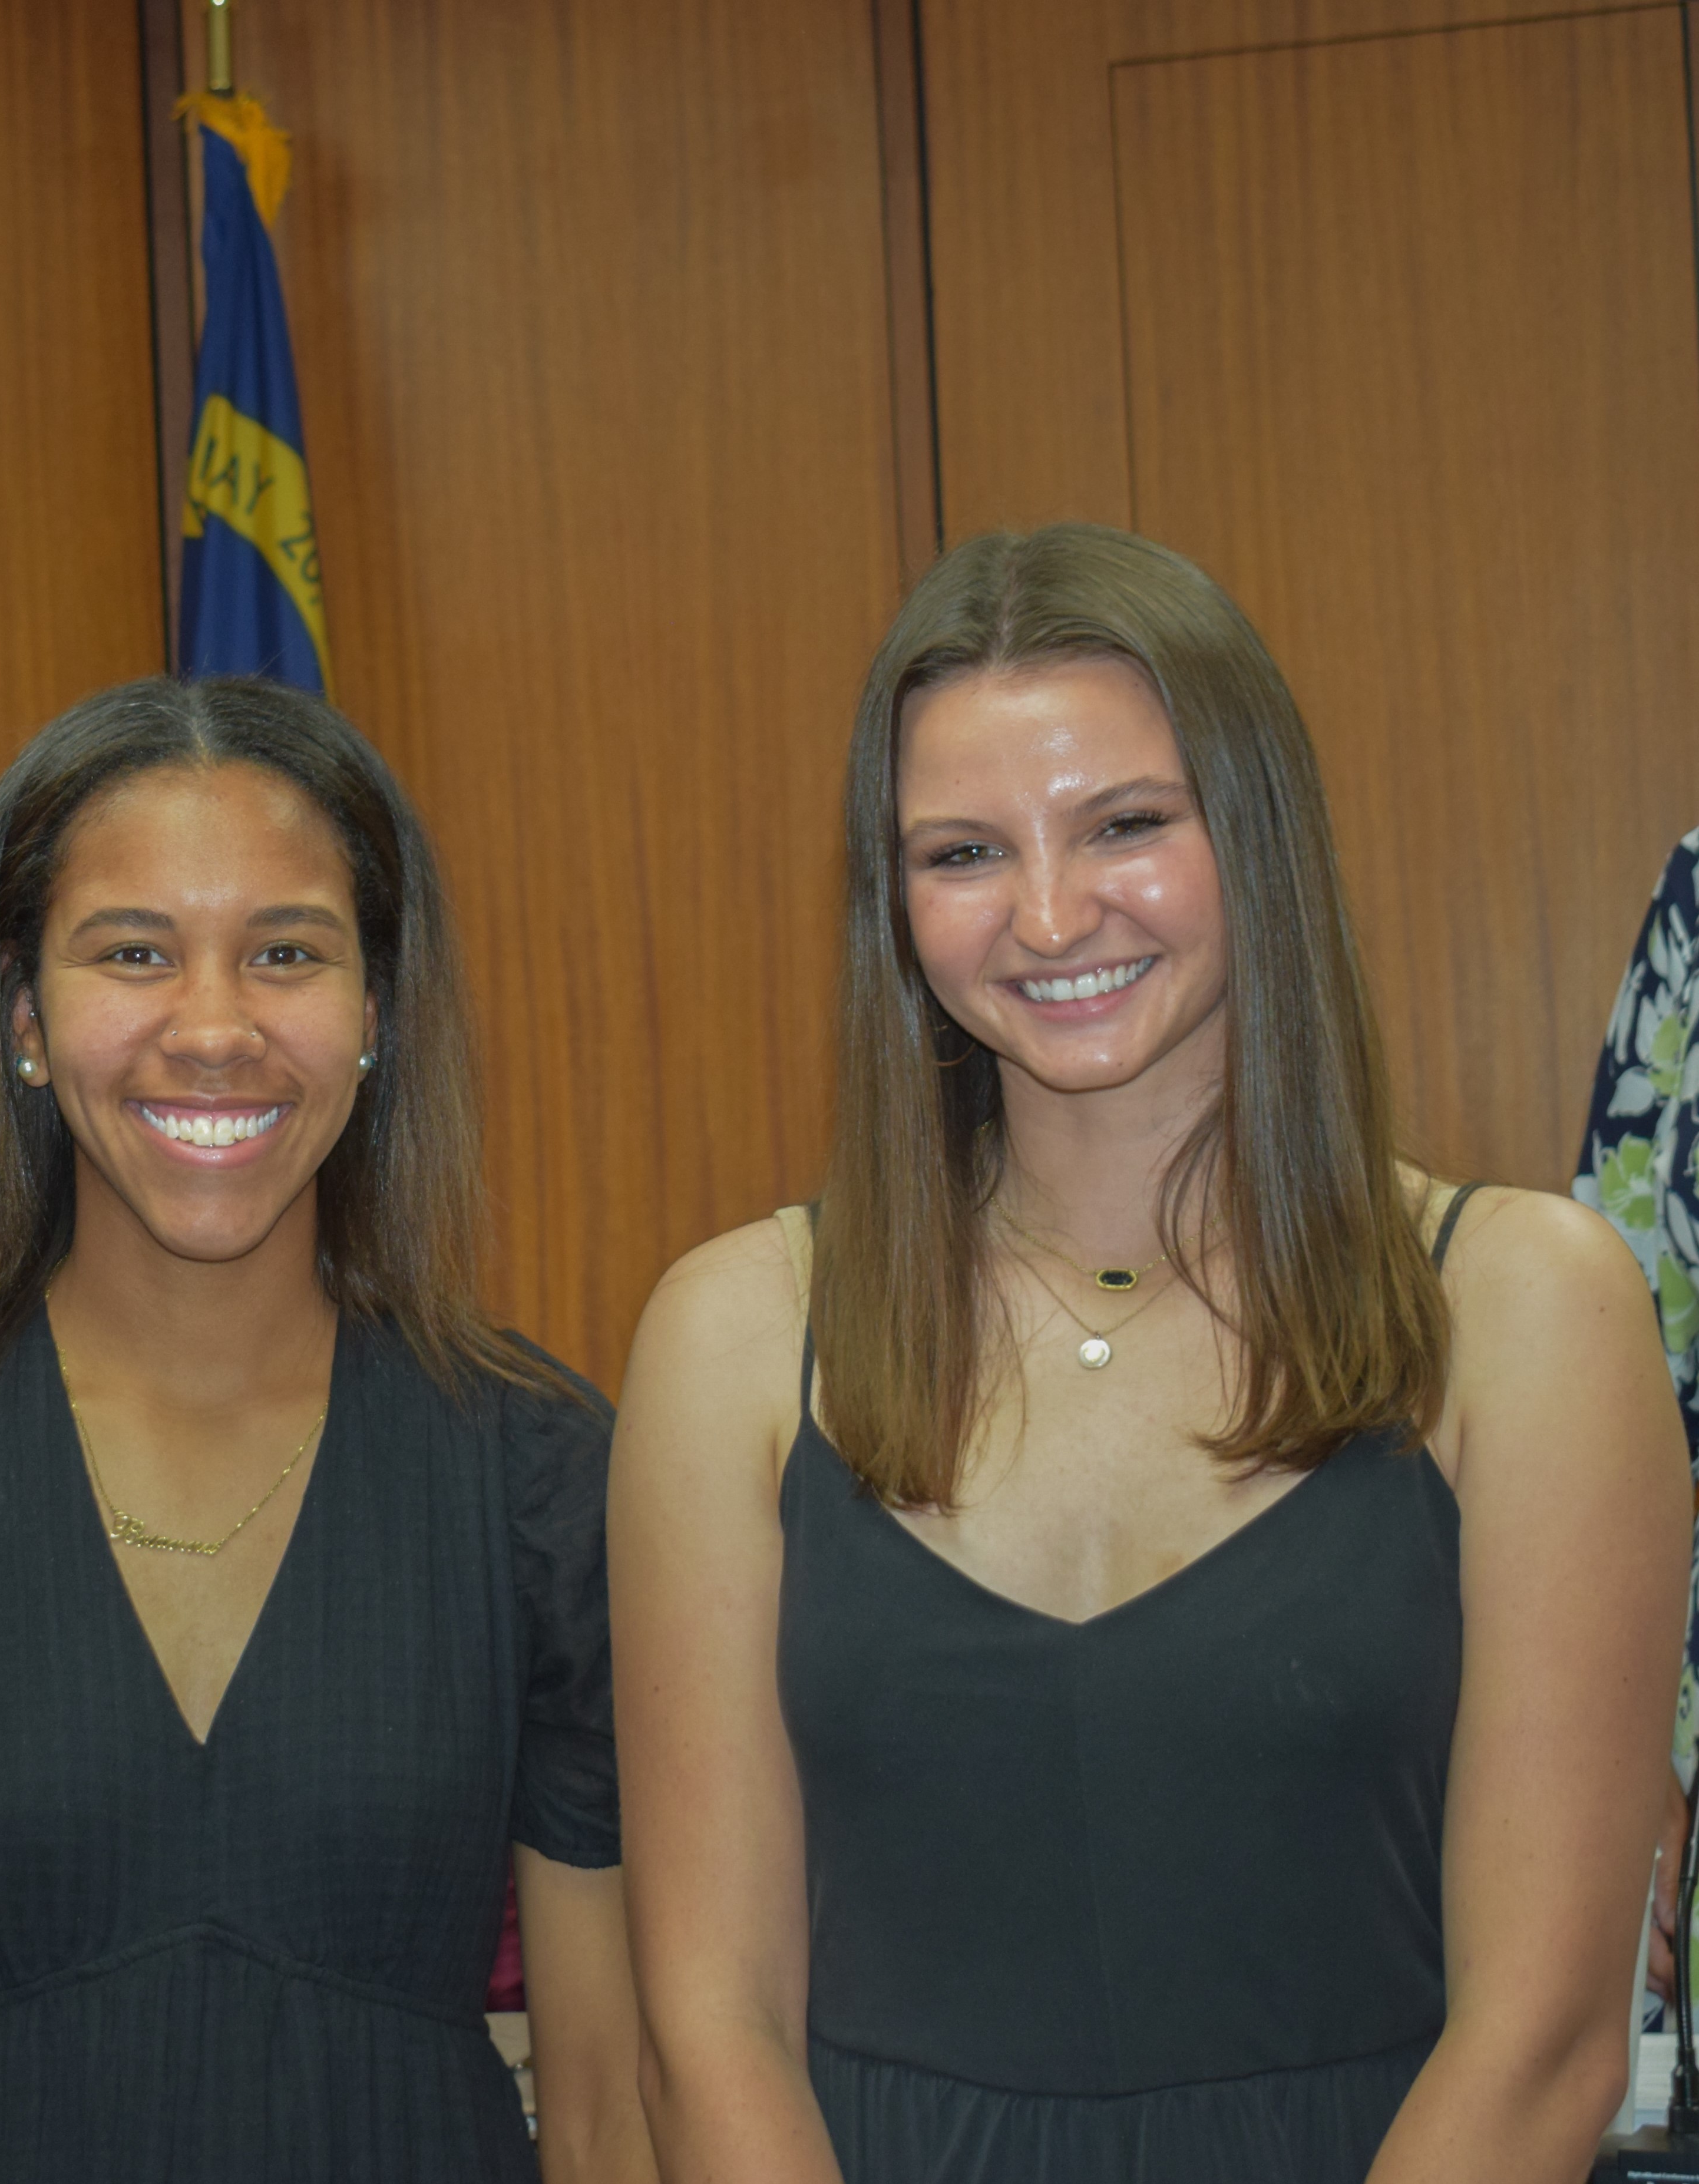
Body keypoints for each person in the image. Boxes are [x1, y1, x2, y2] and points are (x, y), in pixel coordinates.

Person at [611, 523, 1688, 2182]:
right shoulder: (734, 1336)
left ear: (1254, 829)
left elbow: (1543, 2040)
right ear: (892, 902)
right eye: (962, 852)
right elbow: (712, 2028)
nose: (1049, 914)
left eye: (1125, 824)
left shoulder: (1529, 1311)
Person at [0, 677, 651, 2183]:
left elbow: (600, 2116)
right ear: (23, 1020)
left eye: (284, 953)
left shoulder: (538, 1470)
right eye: (131, 952)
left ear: (375, 1012)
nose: (211, 1027)